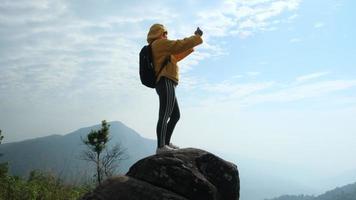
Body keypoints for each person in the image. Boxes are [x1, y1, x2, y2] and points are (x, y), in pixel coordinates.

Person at [146, 24, 203, 154]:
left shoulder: (158, 47)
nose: (166, 35)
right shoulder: (160, 43)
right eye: (164, 33)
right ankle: (161, 146)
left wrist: (190, 46)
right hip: (166, 81)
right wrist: (196, 37)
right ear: (159, 33)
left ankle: (165, 143)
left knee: (175, 115)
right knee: (165, 115)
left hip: (166, 83)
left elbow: (175, 57)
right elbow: (178, 45)